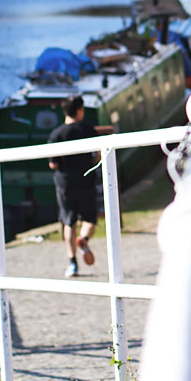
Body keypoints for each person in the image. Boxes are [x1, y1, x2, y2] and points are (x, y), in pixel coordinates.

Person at [48, 95, 116, 278]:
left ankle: (72, 263)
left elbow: (53, 164)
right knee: (89, 219)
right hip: (85, 180)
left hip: (64, 183)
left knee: (68, 221)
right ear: (79, 110)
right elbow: (97, 156)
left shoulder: (56, 135)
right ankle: (84, 239)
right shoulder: (88, 130)